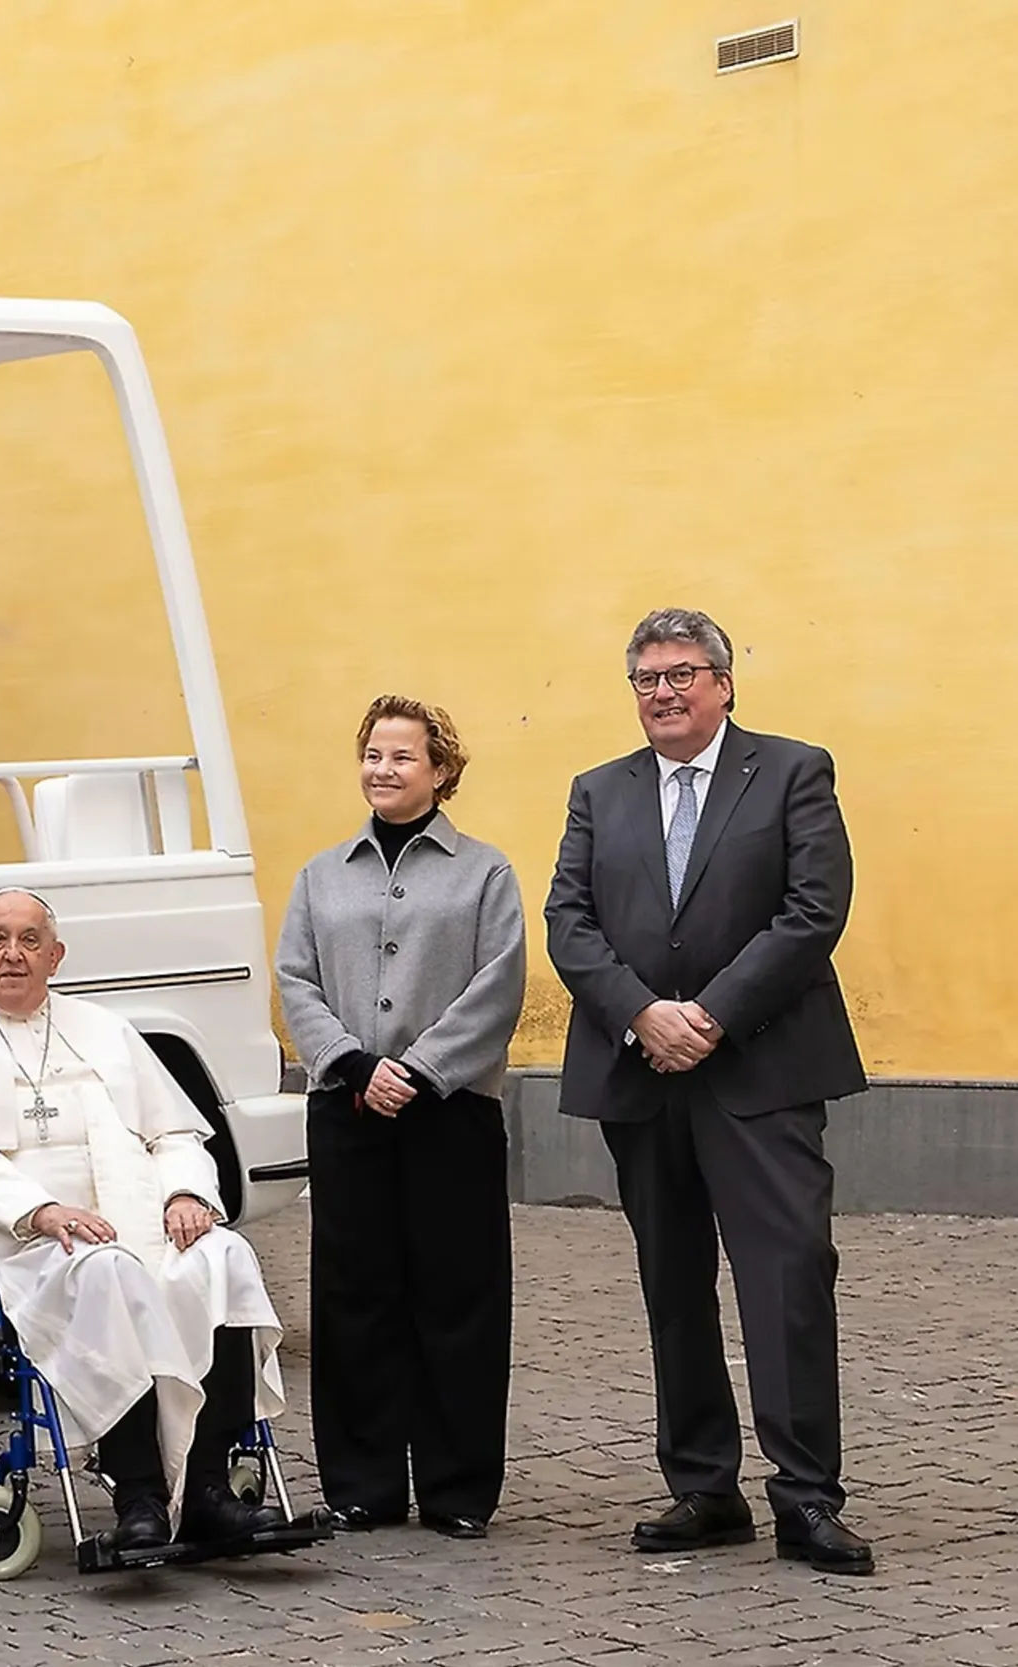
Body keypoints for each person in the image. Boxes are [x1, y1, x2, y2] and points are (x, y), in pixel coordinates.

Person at [545, 608, 872, 1575]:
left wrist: (712, 1015)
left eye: (682, 674)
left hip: (762, 1070)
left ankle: (806, 1495)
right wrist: (643, 1014)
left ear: (723, 683)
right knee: (673, 1285)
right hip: (641, 1074)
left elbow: (813, 910)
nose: (663, 692)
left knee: (788, 1279)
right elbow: (569, 920)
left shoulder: (791, 769)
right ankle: (702, 1486)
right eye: (645, 678)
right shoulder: (598, 791)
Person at [0, 889, 289, 1550]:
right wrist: (39, 1209)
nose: (12, 954)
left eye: (30, 940)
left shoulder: (106, 1029)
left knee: (223, 1256)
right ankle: (139, 1493)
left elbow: (174, 1131)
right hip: (26, 1243)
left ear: (55, 955)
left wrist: (182, 1193)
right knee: (107, 1273)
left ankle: (206, 1488)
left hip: (139, 1222)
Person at [274, 695, 525, 1540]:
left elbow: (498, 985)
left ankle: (457, 1489)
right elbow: (295, 979)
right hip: (345, 1109)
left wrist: (416, 1070)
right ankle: (361, 1483)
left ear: (441, 770)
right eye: (372, 754)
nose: (382, 769)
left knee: (458, 1297)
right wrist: (348, 1062)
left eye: (402, 756)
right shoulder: (319, 874)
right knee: (355, 1298)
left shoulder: (483, 872)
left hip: (448, 1111)